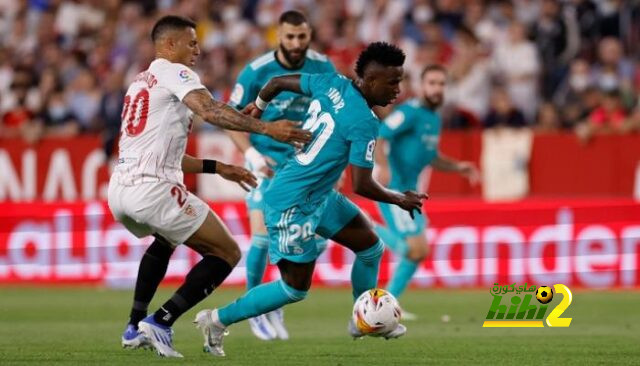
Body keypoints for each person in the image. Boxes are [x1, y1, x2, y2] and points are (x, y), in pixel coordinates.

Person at [193, 42, 428, 357]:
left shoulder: (333, 83)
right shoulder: (365, 122)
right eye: (393, 82)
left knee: (371, 246)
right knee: (294, 289)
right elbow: (361, 184)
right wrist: (400, 199)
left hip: (318, 194)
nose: (398, 90)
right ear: (371, 81)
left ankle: (363, 319)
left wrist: (259, 107)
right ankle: (217, 320)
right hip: (291, 203)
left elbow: (276, 83)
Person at [108, 15, 310, 358]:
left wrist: (220, 168)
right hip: (153, 190)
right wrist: (269, 129)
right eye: (191, 42)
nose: (197, 50)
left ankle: (134, 326)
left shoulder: (139, 83)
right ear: (169, 45)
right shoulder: (175, 72)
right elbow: (212, 111)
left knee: (166, 238)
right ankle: (161, 321)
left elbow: (166, 155)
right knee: (227, 252)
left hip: (121, 191)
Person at [226, 10, 336, 341]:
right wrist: (251, 154)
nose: (296, 43)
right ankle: (253, 310)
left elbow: (337, 113)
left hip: (307, 166)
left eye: (302, 36)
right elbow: (229, 118)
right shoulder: (257, 72)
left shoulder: (323, 67)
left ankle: (275, 298)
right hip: (267, 164)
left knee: (320, 237)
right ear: (279, 36)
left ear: (309, 35)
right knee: (261, 236)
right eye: (290, 37)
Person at [375, 65, 480, 319]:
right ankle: (368, 227)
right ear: (422, 86)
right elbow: (380, 134)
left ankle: (387, 305)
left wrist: (458, 167)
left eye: (442, 84)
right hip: (393, 190)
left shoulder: (434, 119)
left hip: (409, 194)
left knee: (419, 251)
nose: (437, 88)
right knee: (414, 249)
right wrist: (384, 166)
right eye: (432, 83)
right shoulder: (410, 112)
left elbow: (431, 157)